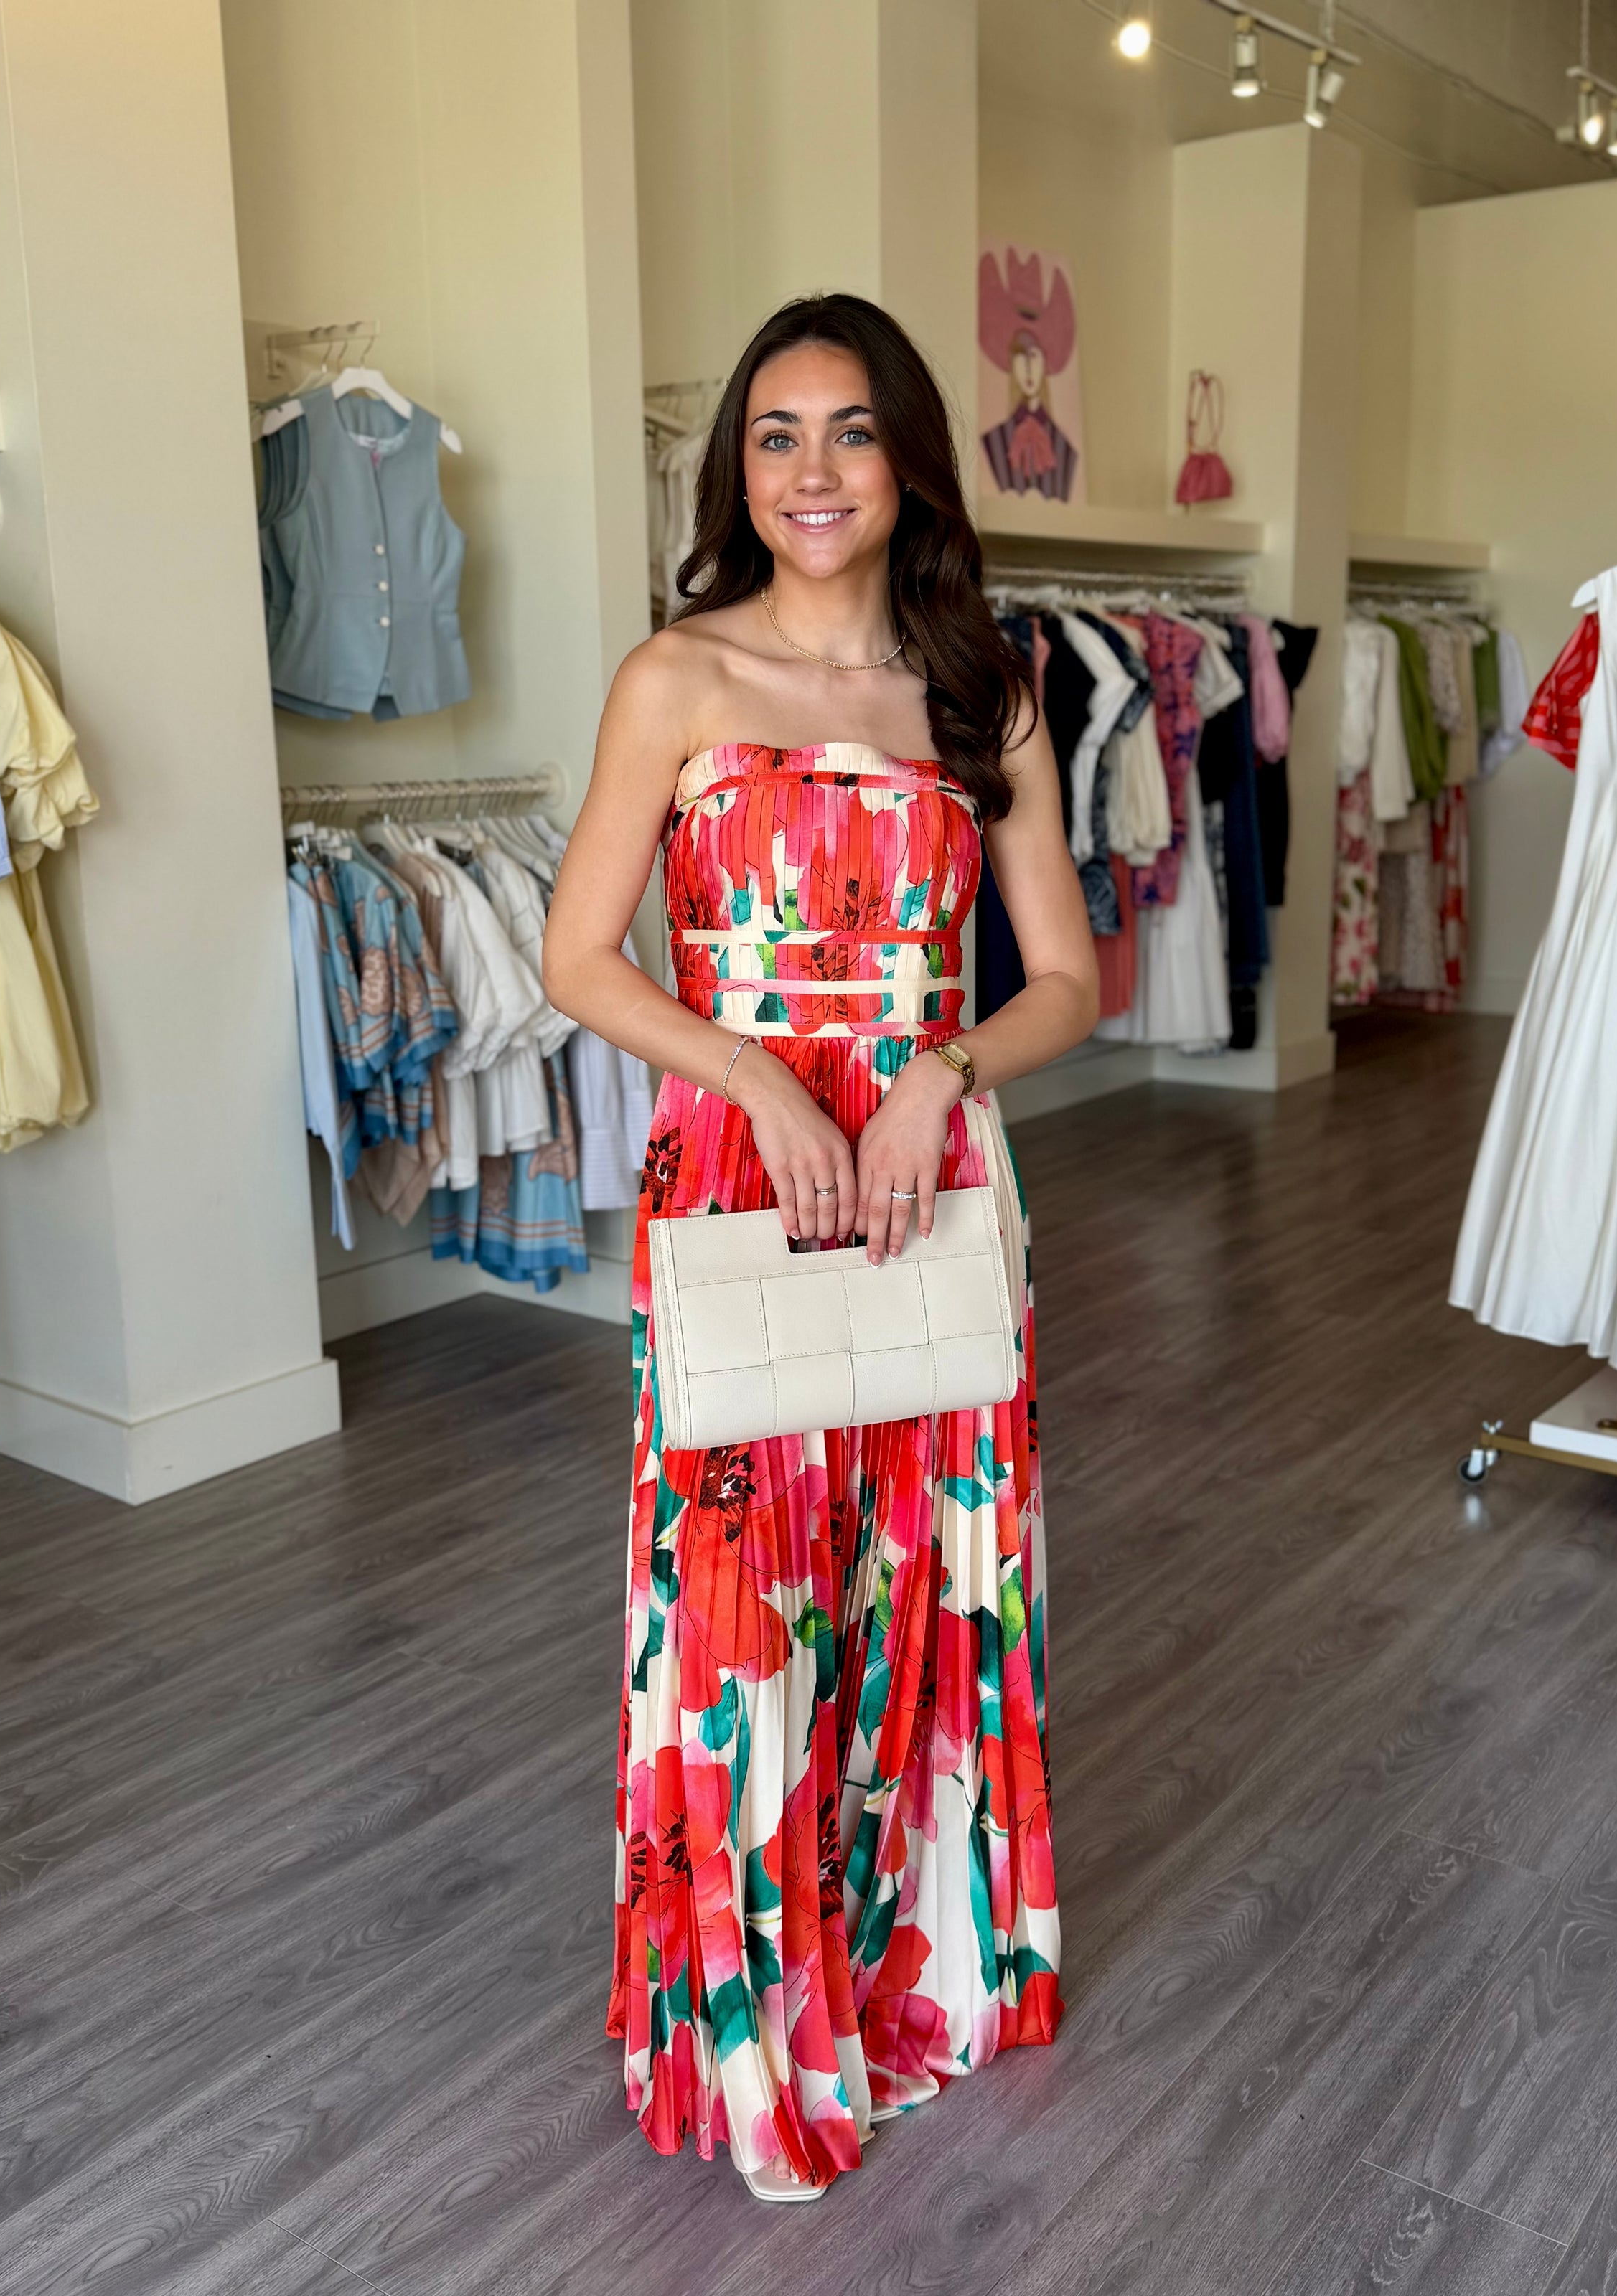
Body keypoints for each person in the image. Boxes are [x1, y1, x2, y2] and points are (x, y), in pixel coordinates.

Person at [541, 291, 1100, 2204]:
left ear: (909, 459)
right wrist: (755, 1076)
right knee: (745, 1599)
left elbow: (1068, 977)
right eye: (775, 436)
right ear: (737, 472)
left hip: (932, 1178)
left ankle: (917, 1963)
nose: (811, 471)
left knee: (928, 1568)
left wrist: (944, 1070)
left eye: (850, 431)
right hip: (740, 1165)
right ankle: (755, 2015)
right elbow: (578, 955)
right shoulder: (677, 678)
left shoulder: (986, 689)